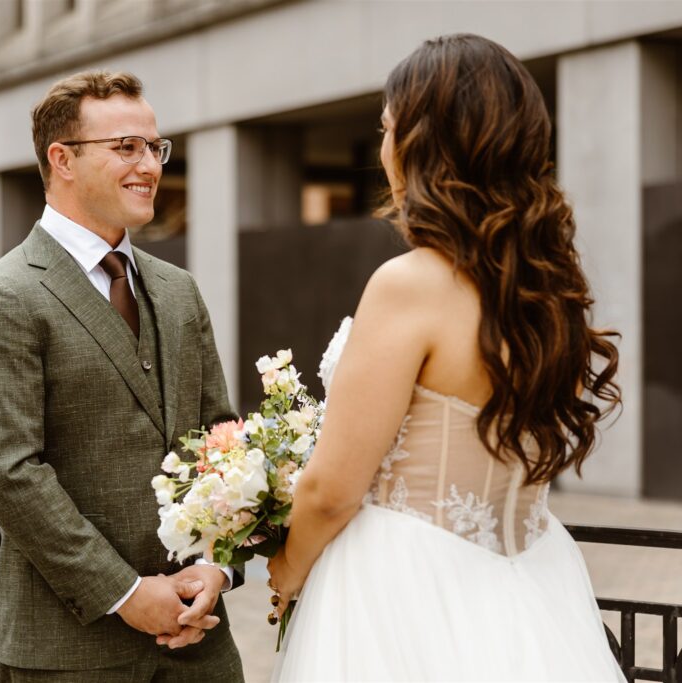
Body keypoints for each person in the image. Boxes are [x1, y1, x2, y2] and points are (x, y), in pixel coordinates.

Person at [267, 34, 624, 681]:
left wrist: (287, 568)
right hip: (530, 579)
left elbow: (331, 490)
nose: (381, 149)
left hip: (401, 590)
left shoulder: (410, 283)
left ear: (421, 145)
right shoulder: (549, 289)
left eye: (386, 128)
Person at [0, 70, 245, 683]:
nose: (150, 165)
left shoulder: (178, 290)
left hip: (200, 640)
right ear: (63, 160)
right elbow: (8, 476)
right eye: (126, 147)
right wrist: (126, 593)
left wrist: (219, 565)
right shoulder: (0, 297)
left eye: (155, 147)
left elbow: (221, 442)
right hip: (69, 650)